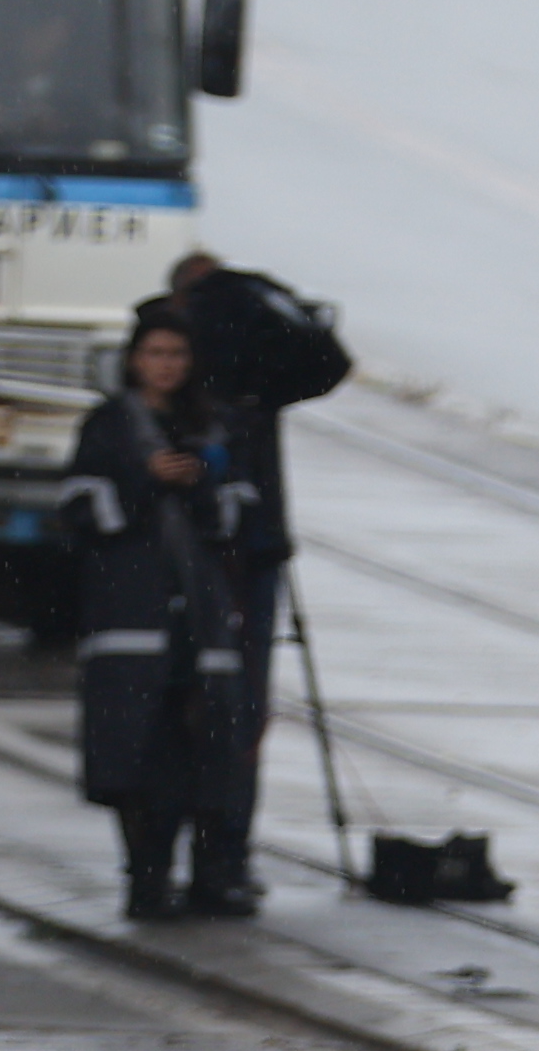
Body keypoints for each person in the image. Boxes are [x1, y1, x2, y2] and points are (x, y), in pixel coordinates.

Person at [64, 307, 265, 919]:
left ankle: (205, 871)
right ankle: (145, 879)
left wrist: (201, 487)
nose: (166, 367)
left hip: (198, 619)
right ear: (133, 359)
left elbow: (241, 514)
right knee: (134, 754)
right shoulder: (109, 424)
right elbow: (79, 509)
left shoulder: (215, 427)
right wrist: (143, 482)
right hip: (132, 613)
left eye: (177, 355)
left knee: (202, 751)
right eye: (155, 354)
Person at [157, 251, 349, 886]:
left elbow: (330, 365)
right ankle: (214, 856)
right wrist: (257, 297)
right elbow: (329, 363)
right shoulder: (221, 383)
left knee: (220, 709)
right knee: (224, 707)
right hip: (220, 559)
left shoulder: (248, 380)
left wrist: (239, 295)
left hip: (241, 555)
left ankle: (199, 857)